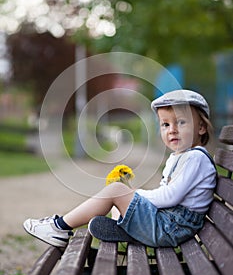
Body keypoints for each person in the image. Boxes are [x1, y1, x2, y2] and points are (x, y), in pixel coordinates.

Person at [23, 89, 216, 248]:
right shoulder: (179, 157)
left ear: (201, 128)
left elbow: (170, 197)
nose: (172, 129)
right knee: (118, 199)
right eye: (165, 124)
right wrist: (130, 198)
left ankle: (59, 227)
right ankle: (126, 226)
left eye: (181, 122)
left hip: (171, 228)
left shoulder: (196, 158)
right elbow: (167, 195)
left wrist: (132, 195)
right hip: (169, 224)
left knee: (117, 191)